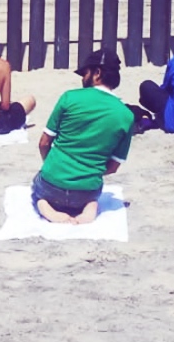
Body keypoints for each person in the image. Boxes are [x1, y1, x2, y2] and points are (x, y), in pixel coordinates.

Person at [33, 48, 134, 225]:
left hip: (52, 185)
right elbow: (113, 167)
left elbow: (44, 143)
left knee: (37, 190)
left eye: (84, 73)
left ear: (97, 73)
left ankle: (45, 207)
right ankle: (90, 206)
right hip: (86, 190)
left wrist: (53, 167)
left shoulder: (69, 98)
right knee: (90, 197)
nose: (82, 78)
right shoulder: (126, 115)